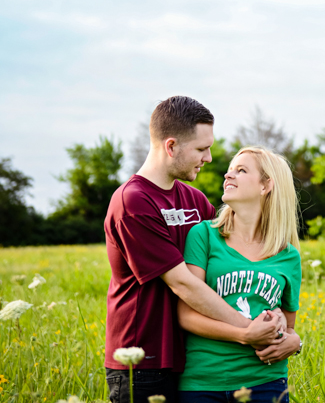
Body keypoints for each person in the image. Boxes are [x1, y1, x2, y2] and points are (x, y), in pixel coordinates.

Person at [104, 96, 288, 403]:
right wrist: (250, 331)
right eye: (202, 149)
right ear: (171, 146)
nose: (210, 158)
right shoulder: (133, 202)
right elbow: (182, 283)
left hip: (192, 358)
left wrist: (282, 328)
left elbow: (235, 269)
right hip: (143, 360)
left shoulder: (195, 200)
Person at [177, 146, 303, 403]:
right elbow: (186, 315)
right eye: (230, 169)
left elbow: (288, 327)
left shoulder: (288, 255)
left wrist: (295, 342)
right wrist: (245, 335)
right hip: (202, 382)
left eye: (241, 170)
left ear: (265, 185)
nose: (228, 175)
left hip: (265, 382)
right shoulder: (204, 235)